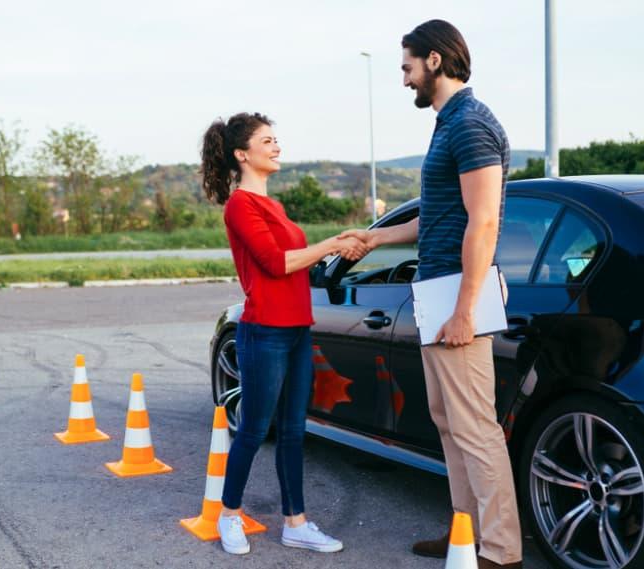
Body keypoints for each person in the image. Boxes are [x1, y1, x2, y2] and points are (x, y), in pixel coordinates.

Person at [341, 20, 523, 569]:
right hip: (438, 288)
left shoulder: (470, 125)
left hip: (456, 292)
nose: (404, 80)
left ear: (436, 62)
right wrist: (376, 237)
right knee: (449, 420)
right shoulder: (449, 125)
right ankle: (465, 533)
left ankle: (500, 551)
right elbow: (438, 218)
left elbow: (484, 221)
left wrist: (466, 309)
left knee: (475, 426)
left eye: (407, 67)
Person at [199, 111, 366, 556]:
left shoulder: (275, 206)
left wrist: (341, 244)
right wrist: (331, 244)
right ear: (242, 154)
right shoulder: (240, 205)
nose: (276, 146)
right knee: (254, 429)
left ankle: (297, 523)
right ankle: (228, 515)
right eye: (267, 140)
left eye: (277, 139)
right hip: (264, 331)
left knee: (294, 431)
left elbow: (297, 260)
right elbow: (276, 263)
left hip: (296, 328)